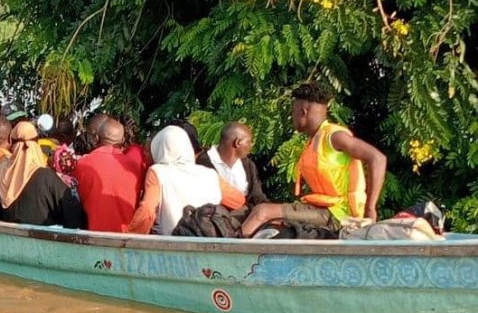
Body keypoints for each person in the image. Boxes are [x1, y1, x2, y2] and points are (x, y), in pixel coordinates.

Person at [241, 82, 387, 237]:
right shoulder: (315, 139)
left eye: (293, 112)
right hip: (321, 209)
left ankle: (226, 256)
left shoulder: (334, 136)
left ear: (303, 112)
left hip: (337, 213)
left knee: (262, 211)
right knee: (270, 222)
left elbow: (378, 158)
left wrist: (370, 210)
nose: (292, 117)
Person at [129, 126, 222, 235]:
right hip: (207, 239)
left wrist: (131, 238)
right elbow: (237, 200)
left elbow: (147, 210)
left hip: (171, 240)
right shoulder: (210, 174)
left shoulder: (158, 171)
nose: (146, 155)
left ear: (158, 148)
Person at [0, 121, 84, 229]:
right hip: (41, 241)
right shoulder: (46, 177)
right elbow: (72, 213)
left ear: (11, 142)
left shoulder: (2, 171)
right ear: (35, 144)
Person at [75, 116, 146, 232]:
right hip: (125, 238)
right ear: (122, 140)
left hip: (92, 236)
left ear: (97, 137)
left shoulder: (84, 163)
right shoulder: (134, 167)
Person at [197, 122, 267, 209]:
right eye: (248, 142)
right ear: (237, 143)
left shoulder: (248, 165)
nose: (251, 145)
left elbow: (258, 198)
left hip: (248, 219)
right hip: (215, 218)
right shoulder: (202, 164)